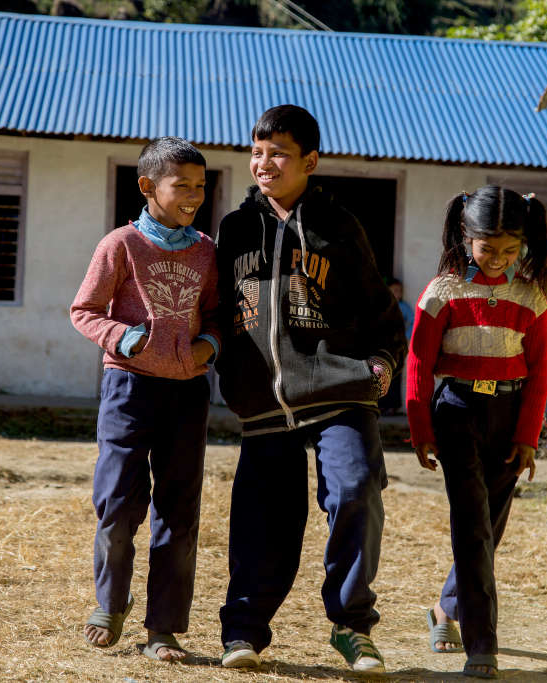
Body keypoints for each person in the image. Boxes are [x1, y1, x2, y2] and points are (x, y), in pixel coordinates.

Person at [215, 105, 406, 673]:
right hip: (265, 401)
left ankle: (351, 627)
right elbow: (220, 311)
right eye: (256, 151)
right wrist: (228, 372)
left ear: (310, 161)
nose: (263, 162)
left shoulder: (340, 227)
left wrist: (380, 365)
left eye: (278, 152)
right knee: (261, 518)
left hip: (339, 389)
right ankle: (244, 631)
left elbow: (382, 312)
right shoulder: (234, 229)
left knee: (354, 488)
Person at [69, 137, 220, 660]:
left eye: (201, 186)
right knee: (116, 504)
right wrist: (126, 337)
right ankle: (110, 604)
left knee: (179, 512)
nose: (194, 195)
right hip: (128, 390)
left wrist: (208, 345)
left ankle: (163, 628)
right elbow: (84, 310)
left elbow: (219, 314)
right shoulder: (120, 245)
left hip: (187, 393)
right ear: (148, 187)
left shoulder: (206, 250)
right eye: (183, 185)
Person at [408, 186, 547, 679]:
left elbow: (540, 372)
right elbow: (419, 362)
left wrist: (529, 436)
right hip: (456, 412)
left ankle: (445, 609)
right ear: (465, 237)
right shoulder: (442, 292)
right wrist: (419, 427)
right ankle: (482, 644)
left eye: (510, 250)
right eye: (487, 248)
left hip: (509, 415)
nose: (497, 259)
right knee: (472, 526)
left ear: (524, 245)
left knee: (490, 529)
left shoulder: (531, 296)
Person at [379, 277, 413, 415]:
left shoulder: (404, 307)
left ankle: (393, 406)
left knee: (395, 376)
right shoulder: (382, 306)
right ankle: (381, 405)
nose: (398, 293)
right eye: (394, 290)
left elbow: (413, 320)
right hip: (383, 346)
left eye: (400, 291)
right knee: (381, 375)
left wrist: (406, 335)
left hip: (397, 347)